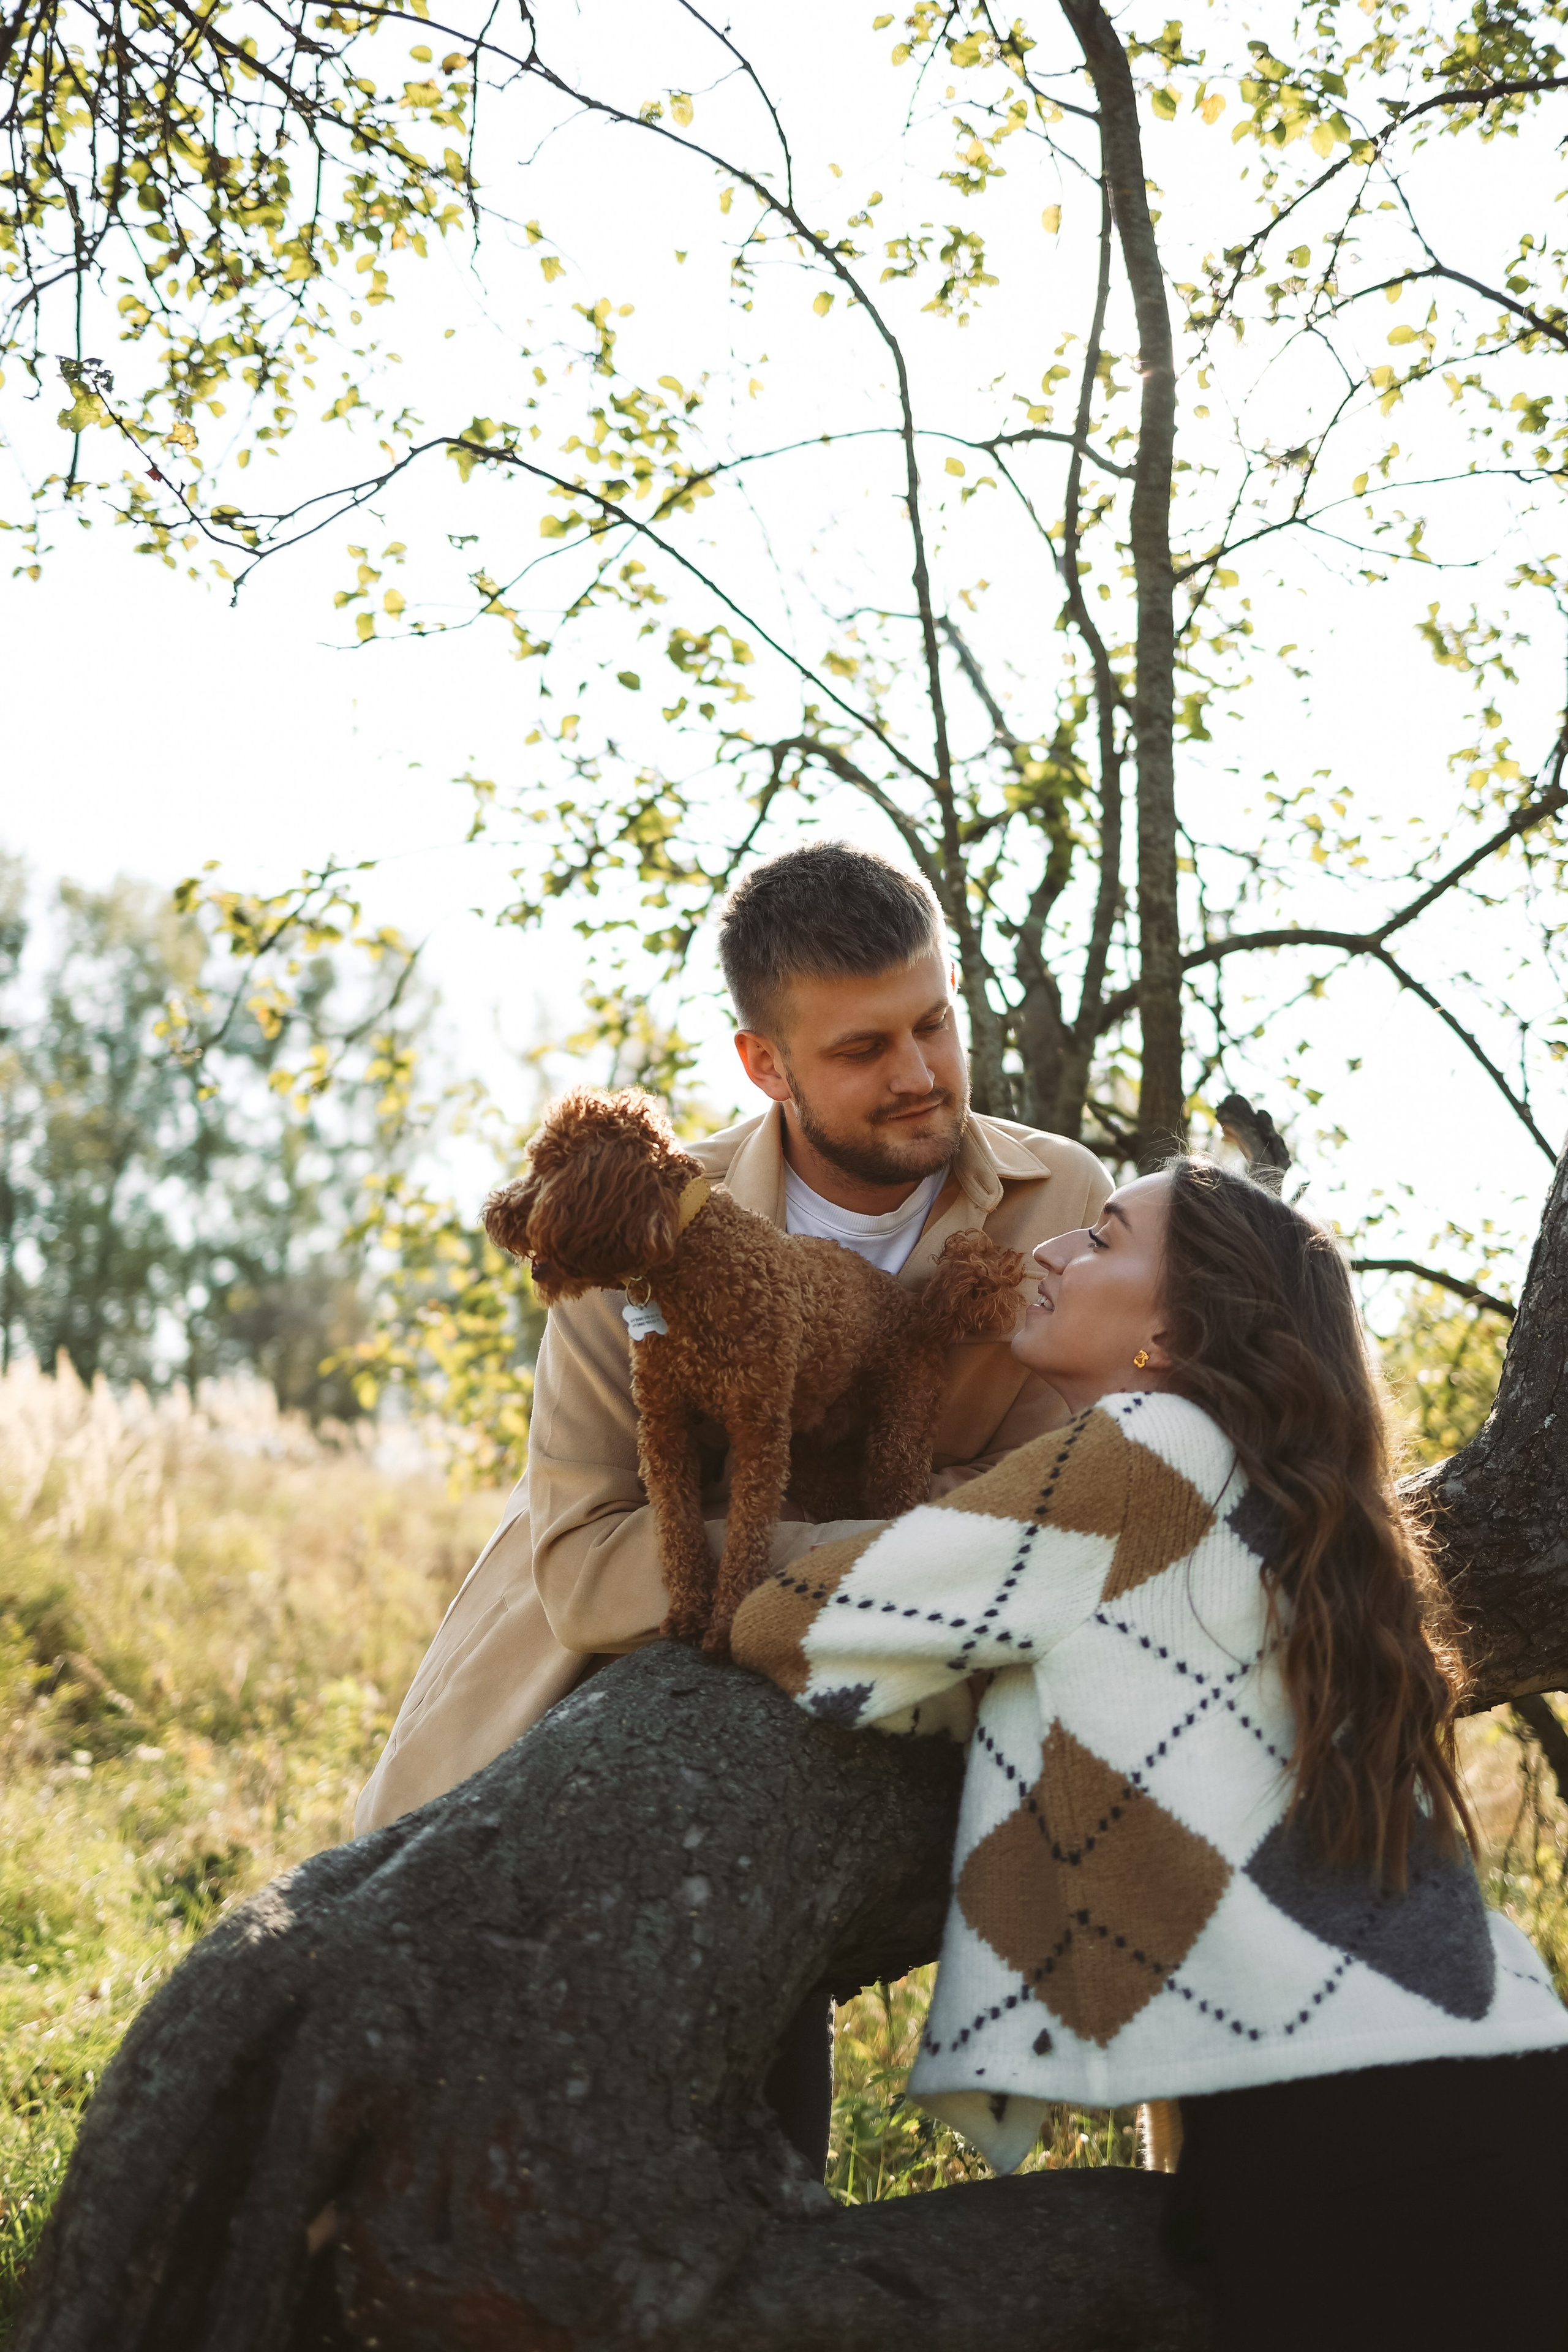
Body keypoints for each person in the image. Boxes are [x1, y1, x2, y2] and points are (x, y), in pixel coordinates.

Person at [353, 839, 1110, 2169]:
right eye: (862, 1049)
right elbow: (587, 1560)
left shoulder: (1066, 1201)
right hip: (610, 1684)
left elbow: (1057, 1511)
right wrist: (897, 1544)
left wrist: (808, 1554)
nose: (920, 1073)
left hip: (912, 1687)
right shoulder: (631, 1221)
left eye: (934, 1023)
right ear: (764, 1064)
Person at [732, 1157, 1568, 2346]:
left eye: (1102, 1239)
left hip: (1347, 2142)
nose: (1051, 1252)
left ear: (1169, 1331)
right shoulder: (1284, 1503)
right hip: (1498, 2081)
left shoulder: (1139, 1449)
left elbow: (788, 1621)